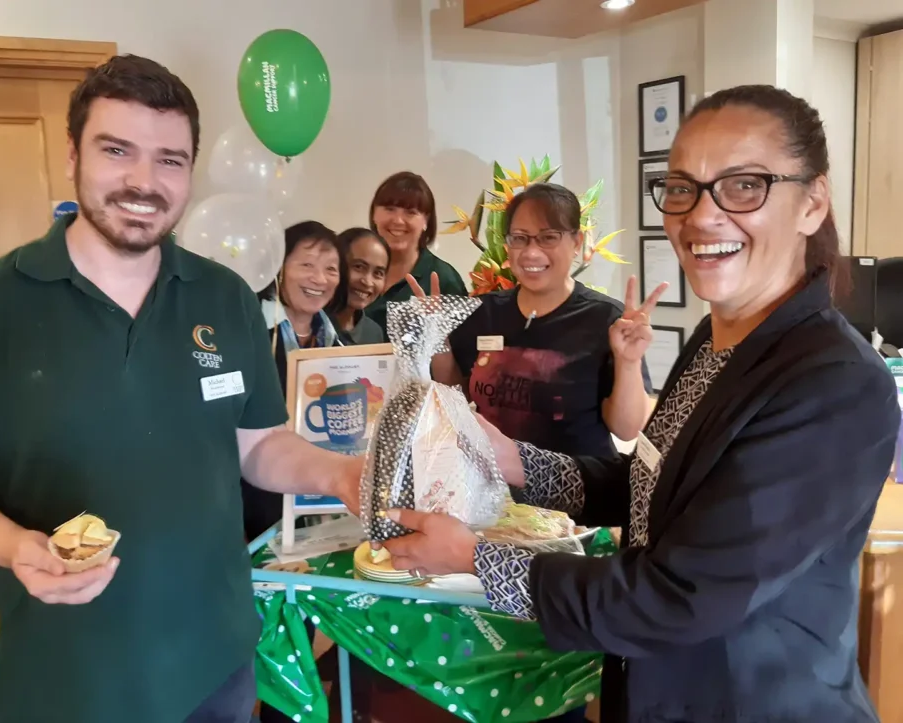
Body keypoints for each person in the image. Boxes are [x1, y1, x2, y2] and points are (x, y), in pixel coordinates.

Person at [379, 85, 900, 722]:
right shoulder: (719, 338)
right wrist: (515, 460)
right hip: (659, 689)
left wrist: (477, 559)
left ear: (812, 201)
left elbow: (681, 596)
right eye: (682, 188)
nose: (702, 217)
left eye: (743, 186)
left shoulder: (833, 381)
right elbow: (657, 482)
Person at [0, 55, 361, 723]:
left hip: (216, 660)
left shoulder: (227, 297)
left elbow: (260, 444)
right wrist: (16, 547)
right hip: (67, 671)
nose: (144, 181)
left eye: (171, 159)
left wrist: (344, 472)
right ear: (72, 154)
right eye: (117, 150)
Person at [429, 182, 658, 459]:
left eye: (548, 237)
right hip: (497, 487)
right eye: (520, 238)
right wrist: (437, 338)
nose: (531, 253)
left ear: (576, 242)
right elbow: (455, 396)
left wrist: (628, 360)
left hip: (577, 490)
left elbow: (627, 430)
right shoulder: (483, 312)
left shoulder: (606, 319)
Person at [242, 220, 343, 544]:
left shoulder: (339, 343)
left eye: (331, 269)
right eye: (307, 265)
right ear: (278, 267)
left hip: (318, 503)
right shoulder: (246, 329)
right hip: (252, 502)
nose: (320, 279)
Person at [364, 171, 467, 331]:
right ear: (374, 215)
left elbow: (463, 351)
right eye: (389, 209)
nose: (398, 220)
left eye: (410, 212)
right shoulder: (351, 267)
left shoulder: (444, 279)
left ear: (426, 221)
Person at [326, 227, 391, 345]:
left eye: (378, 273)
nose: (367, 282)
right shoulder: (312, 323)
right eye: (358, 267)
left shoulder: (373, 333)